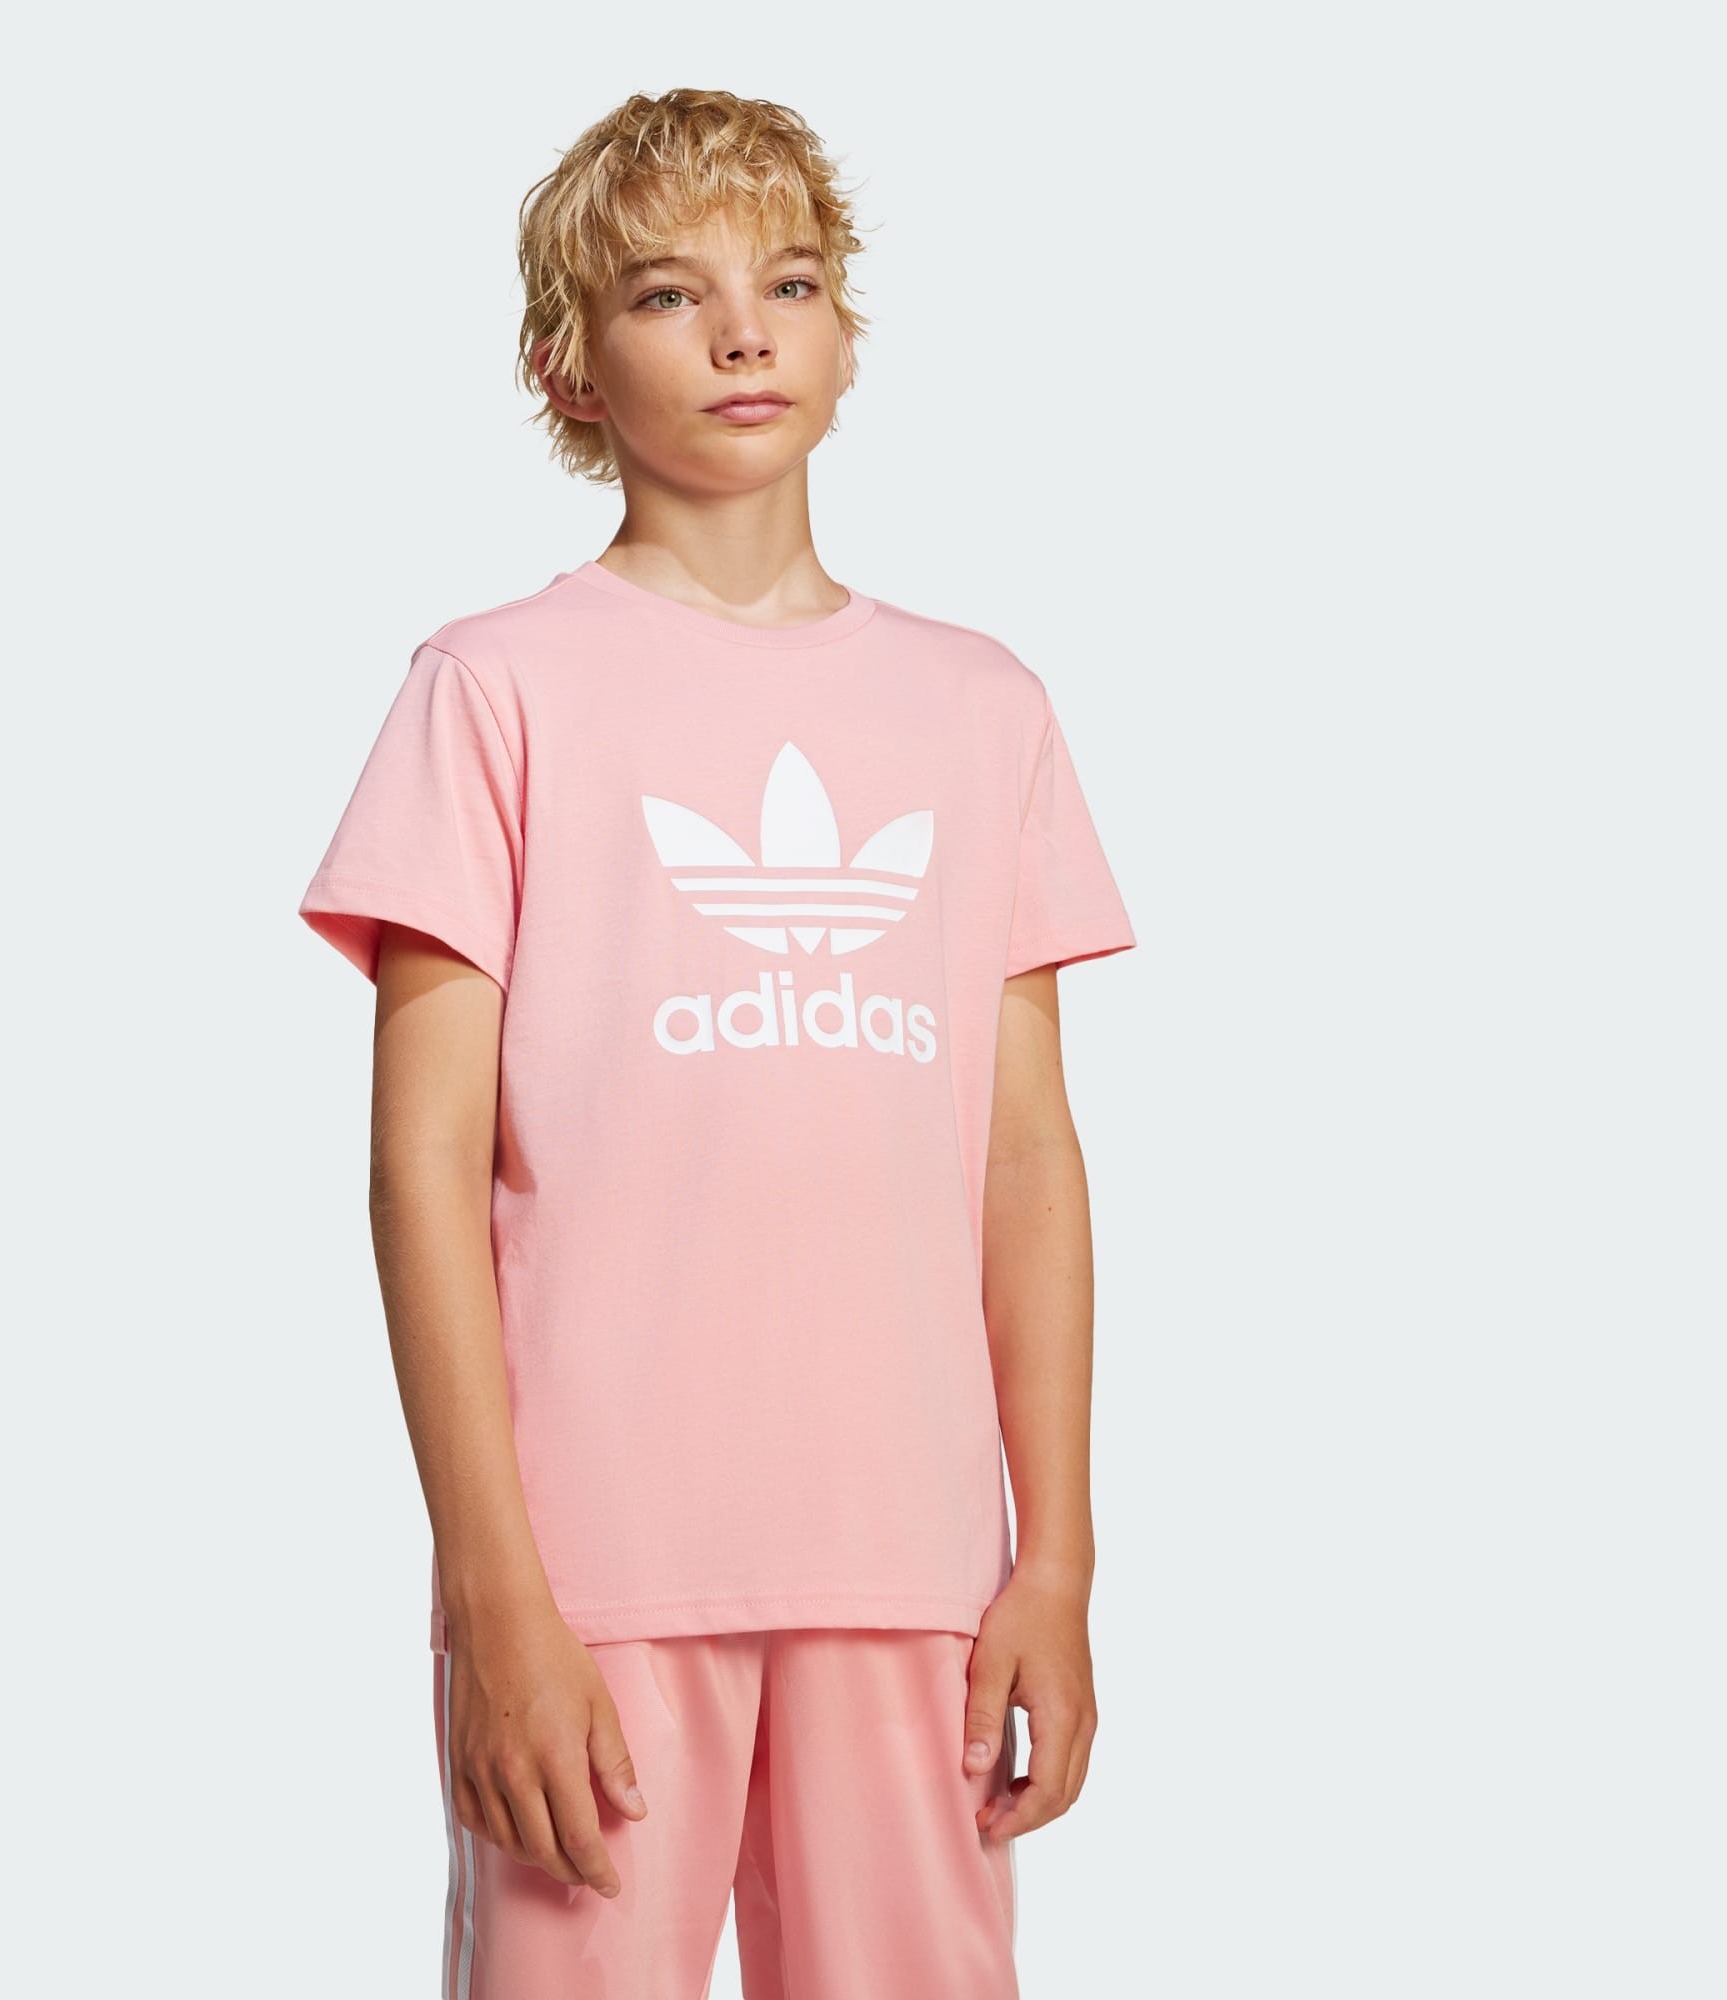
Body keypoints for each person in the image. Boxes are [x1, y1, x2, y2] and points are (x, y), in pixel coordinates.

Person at [299, 85, 1136, 2000]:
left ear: (845, 331)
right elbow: (422, 1164)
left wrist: (1059, 1559)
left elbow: (1027, 1160)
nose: (744, 332)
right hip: (596, 1575)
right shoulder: (491, 691)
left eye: (792, 282)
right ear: (567, 366)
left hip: (915, 1563)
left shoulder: (981, 706)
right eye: (670, 294)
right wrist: (493, 1594)